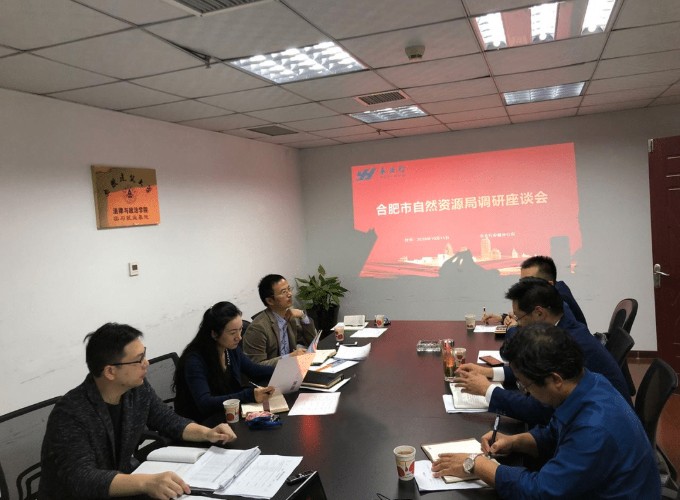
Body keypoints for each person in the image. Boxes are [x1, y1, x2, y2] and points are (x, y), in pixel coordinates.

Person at [432, 324, 660, 499]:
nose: (525, 392)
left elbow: (540, 492)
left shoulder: (594, 429)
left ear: (555, 380)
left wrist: (478, 465)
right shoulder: (589, 383)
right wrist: (515, 441)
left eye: (526, 386)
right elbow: (556, 433)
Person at [39, 323, 237, 500]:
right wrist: (145, 483)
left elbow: (166, 419)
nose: (146, 363)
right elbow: (82, 479)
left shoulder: (136, 389)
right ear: (110, 372)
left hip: (119, 487)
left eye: (144, 354)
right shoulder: (70, 414)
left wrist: (207, 433)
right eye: (138, 359)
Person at [455, 278, 631, 425]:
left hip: (606, 426)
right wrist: (489, 372)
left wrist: (487, 390)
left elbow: (539, 410)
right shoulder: (561, 326)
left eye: (519, 318)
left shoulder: (567, 342)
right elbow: (537, 373)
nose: (517, 324)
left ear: (539, 313)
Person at [174, 301, 275, 424]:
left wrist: (284, 370)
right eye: (233, 333)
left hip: (227, 415)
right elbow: (205, 403)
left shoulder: (229, 348)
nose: (239, 337)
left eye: (240, 330)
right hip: (201, 423)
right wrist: (249, 395)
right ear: (214, 334)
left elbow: (253, 370)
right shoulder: (194, 361)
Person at [483, 255, 587, 327]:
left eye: (530, 283)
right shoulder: (552, 292)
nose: (523, 288)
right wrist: (504, 318)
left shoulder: (561, 301)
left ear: (549, 285)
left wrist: (515, 327)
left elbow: (543, 339)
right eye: (523, 282)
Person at [243, 274, 317, 367]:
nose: (290, 294)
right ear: (270, 301)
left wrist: (303, 316)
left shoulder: (289, 317)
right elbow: (256, 365)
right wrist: (289, 357)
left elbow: (311, 342)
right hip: (271, 374)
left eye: (289, 289)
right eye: (283, 292)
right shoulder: (258, 328)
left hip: (290, 368)